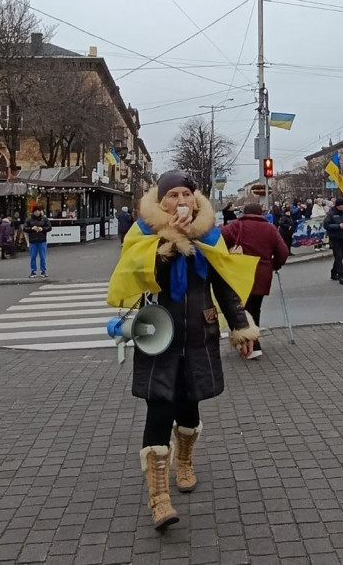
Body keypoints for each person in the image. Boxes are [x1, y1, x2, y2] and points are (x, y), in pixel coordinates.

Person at [107, 170, 261, 530]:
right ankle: (159, 498)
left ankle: (185, 462)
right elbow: (137, 276)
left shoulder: (210, 235)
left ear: (195, 199)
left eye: (185, 195)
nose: (179, 202)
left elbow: (223, 284)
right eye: (172, 195)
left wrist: (240, 325)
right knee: (159, 408)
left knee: (189, 409)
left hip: (197, 336)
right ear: (161, 201)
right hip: (156, 337)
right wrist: (168, 244)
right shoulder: (143, 233)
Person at [221, 202, 289, 359]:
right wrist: (274, 265)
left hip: (239, 274)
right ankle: (250, 343)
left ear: (244, 212)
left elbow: (219, 243)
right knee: (254, 309)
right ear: (261, 213)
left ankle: (251, 345)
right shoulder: (270, 229)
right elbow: (283, 252)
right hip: (261, 276)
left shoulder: (235, 226)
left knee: (238, 309)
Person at [324, 198, 343, 285]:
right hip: (334, 237)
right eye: (341, 205)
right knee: (338, 256)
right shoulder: (331, 213)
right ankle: (341, 276)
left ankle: (333, 272)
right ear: (337, 206)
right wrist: (338, 226)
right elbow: (326, 224)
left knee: (340, 256)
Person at [24, 205, 52, 278]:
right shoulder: (29, 219)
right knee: (33, 257)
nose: (37, 212)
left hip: (42, 240)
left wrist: (42, 229)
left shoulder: (44, 219)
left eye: (38, 211)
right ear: (33, 212)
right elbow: (24, 228)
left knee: (42, 256)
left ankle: (43, 271)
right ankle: (33, 271)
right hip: (33, 241)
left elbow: (49, 227)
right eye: (36, 211)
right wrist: (31, 228)